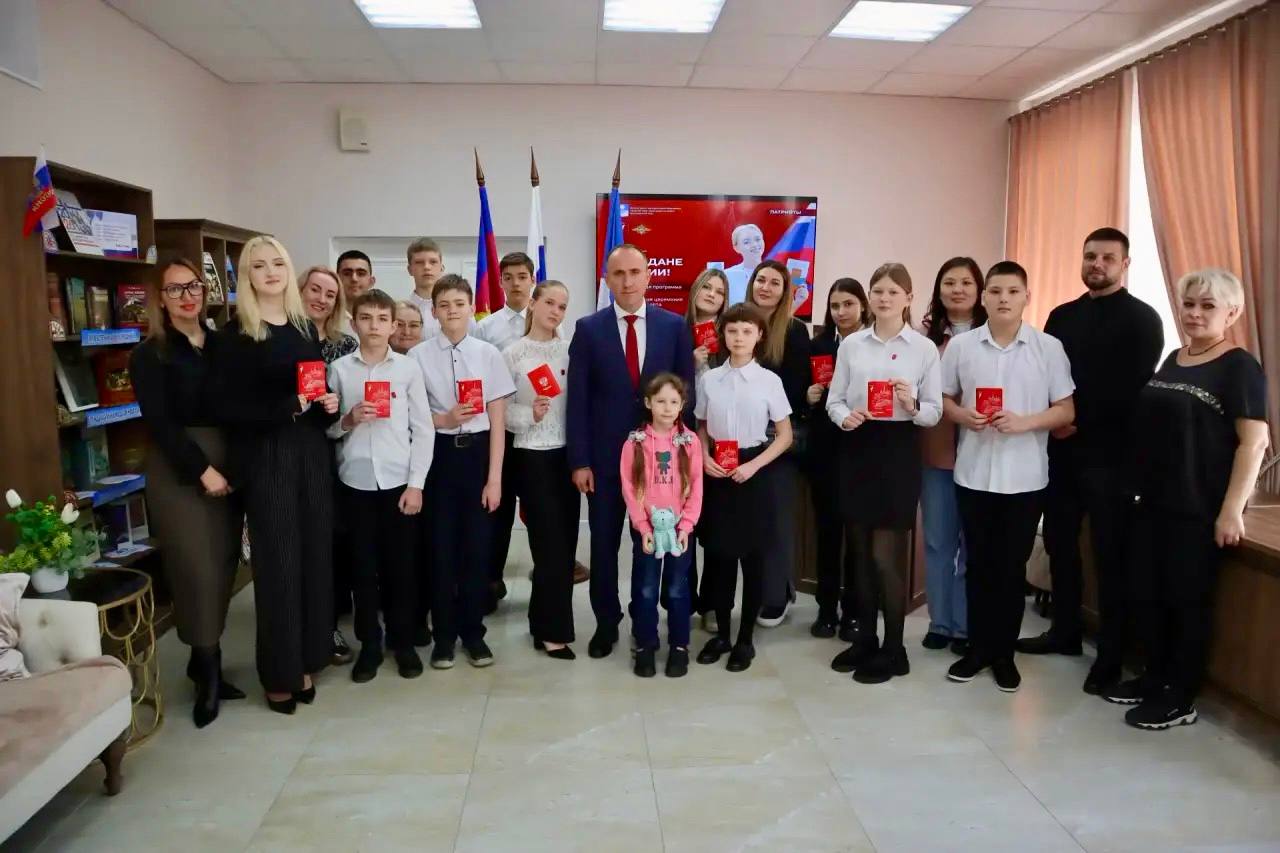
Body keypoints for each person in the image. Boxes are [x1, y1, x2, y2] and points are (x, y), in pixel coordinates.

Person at [1104, 268, 1268, 730]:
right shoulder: (1176, 357)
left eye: (1207, 306)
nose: (1194, 313)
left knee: (1186, 603)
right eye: (1189, 304)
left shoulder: (1240, 366)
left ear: (1232, 313)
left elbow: (1254, 442)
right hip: (1152, 501)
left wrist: (1231, 510)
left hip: (1197, 508)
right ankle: (1154, 679)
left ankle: (1180, 697)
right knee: (1149, 596)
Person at [1021, 228, 1165, 695]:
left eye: (1106, 257)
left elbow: (1132, 387)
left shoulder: (1144, 318)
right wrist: (1053, 419)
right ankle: (1064, 631)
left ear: (1125, 264)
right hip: (1060, 452)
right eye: (1090, 256)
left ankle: (1111, 655)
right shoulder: (1062, 315)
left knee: (1109, 554)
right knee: (1060, 544)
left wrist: (1074, 419)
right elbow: (1045, 375)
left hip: (1111, 456)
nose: (1096, 264)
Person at [214, 236, 339, 714]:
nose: (270, 272)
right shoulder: (235, 335)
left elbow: (314, 391)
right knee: (279, 565)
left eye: (278, 264)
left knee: (314, 558)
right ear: (247, 275)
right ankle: (280, 673)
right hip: (267, 456)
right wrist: (287, 407)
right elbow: (228, 408)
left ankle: (309, 659)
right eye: (259, 265)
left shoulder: (304, 327)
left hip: (311, 453)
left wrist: (328, 405)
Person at [942, 261, 1075, 693]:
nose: (1003, 299)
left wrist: (1026, 422)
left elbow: (1066, 410)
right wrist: (963, 415)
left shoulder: (1048, 348)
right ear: (984, 297)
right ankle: (977, 650)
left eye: (1012, 292)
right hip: (973, 474)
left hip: (1025, 479)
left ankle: (1004, 655)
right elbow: (943, 399)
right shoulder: (962, 347)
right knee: (978, 565)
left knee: (1010, 569)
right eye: (996, 291)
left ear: (1026, 297)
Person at [567, 243, 696, 659]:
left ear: (648, 276)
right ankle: (607, 623)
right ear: (607, 279)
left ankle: (647, 622)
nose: (627, 281)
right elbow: (578, 400)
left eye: (634, 272)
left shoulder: (673, 326)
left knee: (652, 542)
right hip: (605, 462)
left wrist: (685, 461)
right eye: (618, 274)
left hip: (661, 464)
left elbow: (686, 396)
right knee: (604, 544)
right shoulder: (589, 329)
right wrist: (580, 461)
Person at [131, 256, 244, 728]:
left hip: (229, 462)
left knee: (223, 566)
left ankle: (204, 660)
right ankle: (209, 673)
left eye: (193, 286)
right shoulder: (150, 354)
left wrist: (233, 467)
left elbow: (242, 405)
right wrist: (203, 471)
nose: (186, 296)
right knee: (195, 569)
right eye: (175, 289)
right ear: (161, 299)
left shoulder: (224, 345)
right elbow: (160, 424)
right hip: (180, 469)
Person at [826, 262, 942, 684]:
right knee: (858, 553)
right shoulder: (852, 345)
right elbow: (834, 400)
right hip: (858, 447)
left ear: (909, 298)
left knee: (884, 556)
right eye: (878, 291)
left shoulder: (923, 349)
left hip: (898, 451)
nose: (884, 298)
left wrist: (912, 404)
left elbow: (934, 412)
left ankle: (895, 648)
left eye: (893, 292)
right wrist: (845, 417)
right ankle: (865, 640)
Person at [326, 289, 434, 683]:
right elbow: (326, 430)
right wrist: (349, 419)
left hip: (397, 483)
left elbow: (423, 430)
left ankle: (402, 643)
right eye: (366, 318)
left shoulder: (407, 370)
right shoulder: (340, 370)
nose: (374, 326)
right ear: (354, 323)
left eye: (382, 319)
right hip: (355, 484)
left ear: (393, 326)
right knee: (362, 570)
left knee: (401, 569)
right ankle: (370, 645)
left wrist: (416, 485)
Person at [409, 274, 515, 669]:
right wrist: (445, 419)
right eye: (444, 305)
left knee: (476, 550)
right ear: (434, 312)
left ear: (472, 307)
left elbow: (498, 421)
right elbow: (413, 418)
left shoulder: (488, 355)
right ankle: (443, 638)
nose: (452, 311)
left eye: (459, 303)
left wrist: (495, 479)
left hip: (478, 457)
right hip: (437, 457)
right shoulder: (417, 356)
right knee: (439, 552)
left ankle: (473, 633)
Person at [695, 304, 793, 672]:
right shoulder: (710, 380)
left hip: (753, 470)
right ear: (723, 334)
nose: (739, 338)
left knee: (753, 560)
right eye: (732, 331)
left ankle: (745, 639)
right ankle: (722, 633)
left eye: (746, 331)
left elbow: (784, 436)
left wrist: (754, 465)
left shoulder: (769, 381)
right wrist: (704, 455)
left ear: (759, 336)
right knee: (720, 558)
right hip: (718, 472)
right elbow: (701, 426)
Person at [504, 280, 578, 660]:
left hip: (567, 457)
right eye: (549, 302)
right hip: (531, 457)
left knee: (565, 547)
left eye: (562, 306)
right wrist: (528, 414)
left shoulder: (569, 351)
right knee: (547, 547)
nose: (555, 311)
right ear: (533, 303)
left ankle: (541, 621)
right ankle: (554, 632)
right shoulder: (512, 353)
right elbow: (500, 411)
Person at [918, 258, 987, 654]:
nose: (958, 289)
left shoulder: (995, 334)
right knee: (938, 542)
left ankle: (964, 625)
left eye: (966, 282)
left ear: (979, 290)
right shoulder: (923, 338)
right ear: (938, 290)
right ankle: (940, 622)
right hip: (937, 452)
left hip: (984, 453)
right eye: (949, 282)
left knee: (972, 545)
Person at [622, 373, 704, 678]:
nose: (667, 408)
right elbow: (629, 488)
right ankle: (645, 644)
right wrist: (643, 527)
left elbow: (696, 486)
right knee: (645, 589)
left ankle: (679, 646)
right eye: (660, 401)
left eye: (673, 402)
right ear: (648, 403)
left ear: (682, 405)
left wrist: (686, 526)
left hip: (680, 530)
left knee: (678, 588)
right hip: (647, 531)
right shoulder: (635, 443)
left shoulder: (690, 442)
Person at [747, 260, 812, 627]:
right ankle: (762, 590)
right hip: (740, 440)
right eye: (761, 280)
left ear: (785, 291)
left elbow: (794, 390)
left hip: (778, 439)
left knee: (777, 519)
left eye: (775, 282)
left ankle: (778, 595)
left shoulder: (795, 330)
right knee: (752, 521)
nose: (766, 287)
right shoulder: (738, 322)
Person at [299, 265, 358, 667]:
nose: (321, 299)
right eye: (315, 290)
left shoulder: (345, 345)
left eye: (330, 294)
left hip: (334, 454)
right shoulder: (282, 339)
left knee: (333, 542)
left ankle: (329, 624)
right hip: (291, 450)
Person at [806, 278, 869, 641]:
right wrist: (810, 396)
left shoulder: (874, 345)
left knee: (858, 538)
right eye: (835, 306)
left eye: (848, 304)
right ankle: (826, 609)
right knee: (828, 535)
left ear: (862, 305)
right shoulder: (818, 345)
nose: (841, 312)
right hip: (826, 453)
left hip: (862, 452)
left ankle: (854, 612)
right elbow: (798, 400)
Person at [477, 251, 536, 612]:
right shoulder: (486, 328)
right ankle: (491, 581)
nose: (516, 283)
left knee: (538, 509)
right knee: (496, 511)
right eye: (509, 277)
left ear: (532, 280)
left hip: (537, 432)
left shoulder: (549, 321)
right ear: (500, 282)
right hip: (499, 431)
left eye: (522, 276)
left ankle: (544, 581)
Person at [682, 267, 728, 626]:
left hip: (718, 442)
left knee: (714, 528)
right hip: (679, 441)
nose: (712, 294)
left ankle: (713, 603)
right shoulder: (674, 331)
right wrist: (689, 363)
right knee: (683, 525)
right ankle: (684, 600)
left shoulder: (731, 337)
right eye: (707, 287)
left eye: (720, 291)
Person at [723, 223, 765, 305]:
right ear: (736, 248)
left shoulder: (775, 271)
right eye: (746, 242)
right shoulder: (728, 274)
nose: (754, 245)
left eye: (757, 239)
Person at [335, 249, 376, 332]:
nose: (354, 279)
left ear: (371, 282)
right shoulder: (324, 317)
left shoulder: (384, 318)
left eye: (361, 273)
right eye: (347, 273)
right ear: (336, 279)